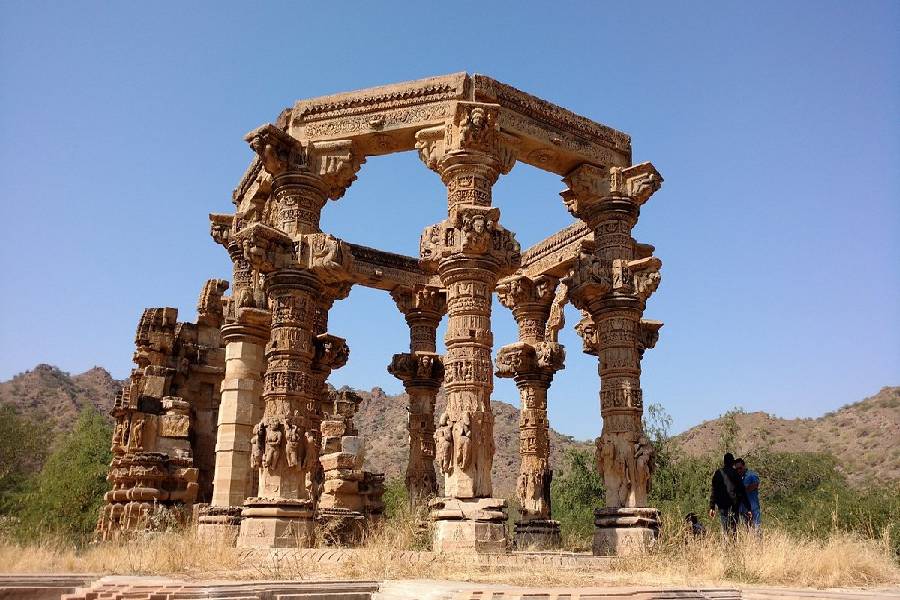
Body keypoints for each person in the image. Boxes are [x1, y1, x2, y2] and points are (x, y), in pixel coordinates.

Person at [708, 452, 751, 536]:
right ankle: (733, 546)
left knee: (725, 529)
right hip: (734, 506)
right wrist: (748, 507)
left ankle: (726, 547)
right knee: (734, 529)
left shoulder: (718, 473)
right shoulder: (735, 473)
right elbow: (742, 491)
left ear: (724, 462)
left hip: (722, 506)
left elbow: (714, 491)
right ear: (732, 462)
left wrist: (712, 506)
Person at [734, 458, 761, 530]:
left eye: (740, 468)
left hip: (753, 507)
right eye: (737, 469)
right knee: (746, 530)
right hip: (743, 509)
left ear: (744, 466)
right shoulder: (737, 478)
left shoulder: (751, 475)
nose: (739, 470)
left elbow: (756, 485)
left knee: (756, 529)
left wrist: (744, 489)